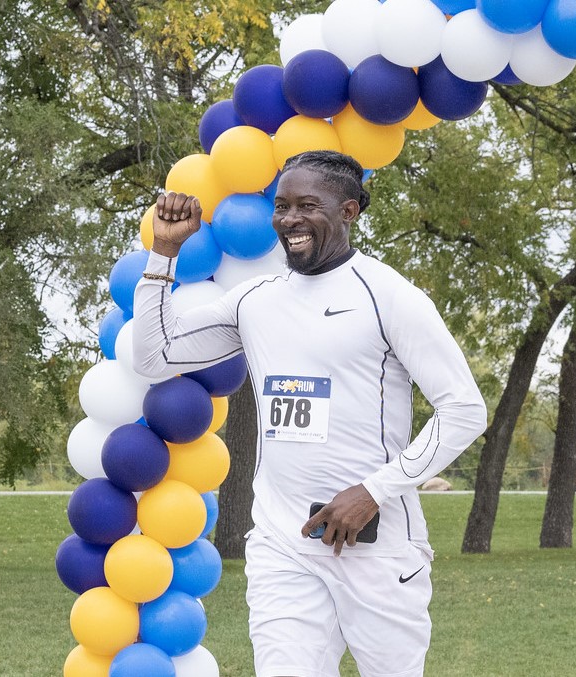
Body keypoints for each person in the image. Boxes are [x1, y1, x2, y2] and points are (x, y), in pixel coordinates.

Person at [131, 150, 489, 677]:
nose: (290, 220)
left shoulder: (389, 295)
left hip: (379, 548)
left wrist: (373, 492)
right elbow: (153, 356)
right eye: (281, 206)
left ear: (349, 211)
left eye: (307, 206)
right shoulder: (255, 299)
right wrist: (163, 254)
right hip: (284, 544)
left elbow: (464, 409)